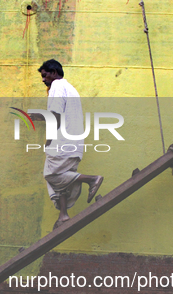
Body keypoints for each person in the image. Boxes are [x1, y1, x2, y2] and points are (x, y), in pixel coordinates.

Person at [37, 59, 103, 230]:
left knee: (51, 175)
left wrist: (49, 140)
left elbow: (55, 115)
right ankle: (64, 215)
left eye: (45, 76)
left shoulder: (57, 87)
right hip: (74, 143)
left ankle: (92, 179)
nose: (43, 80)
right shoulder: (71, 89)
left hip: (62, 142)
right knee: (64, 179)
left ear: (54, 72)